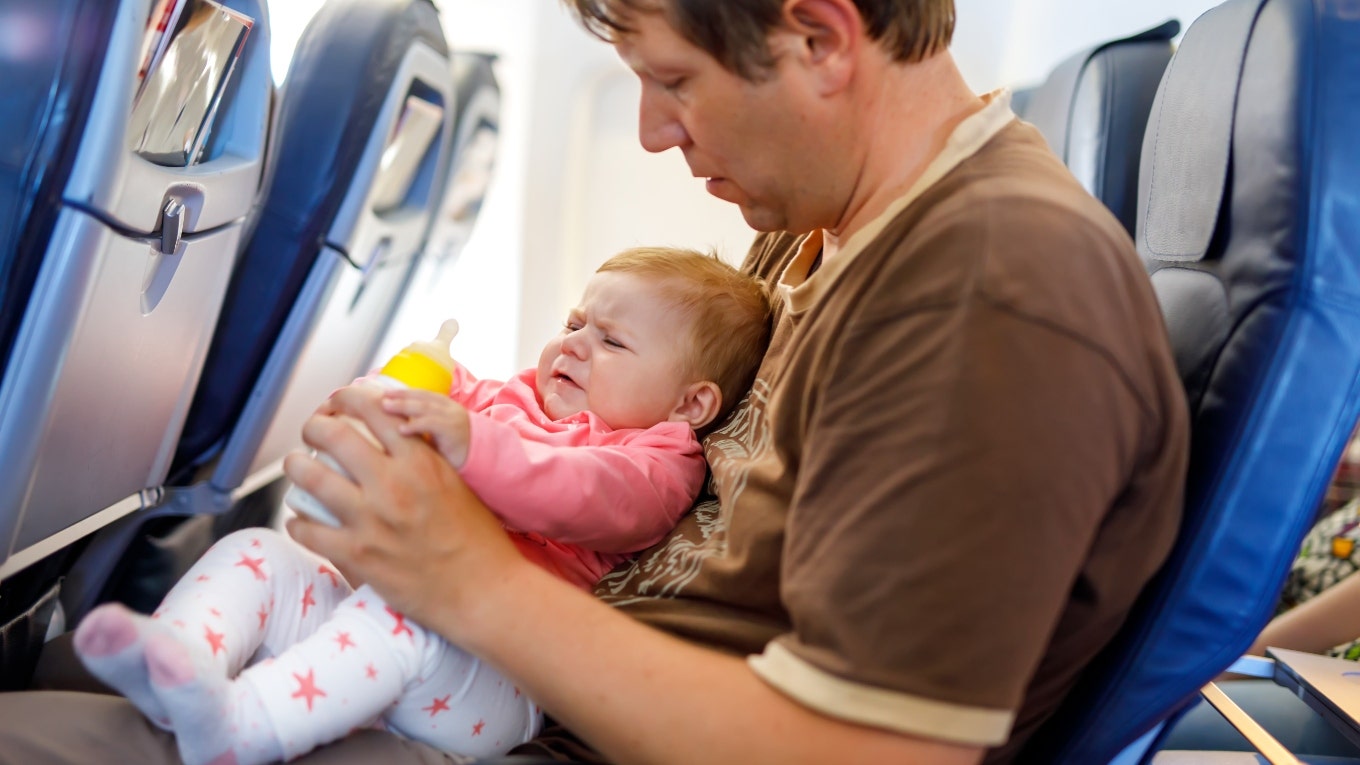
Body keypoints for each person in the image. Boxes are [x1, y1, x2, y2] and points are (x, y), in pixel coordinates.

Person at [0, 1, 1189, 763]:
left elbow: (872, 753)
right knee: (87, 676)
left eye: (672, 80)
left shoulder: (989, 289)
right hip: (534, 685)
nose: (650, 134)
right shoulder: (826, 231)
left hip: (534, 717)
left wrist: (466, 579)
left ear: (819, 37)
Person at [66, 247, 771, 765]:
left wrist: (471, 444)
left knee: (402, 616)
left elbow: (575, 493)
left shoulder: (657, 461)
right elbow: (431, 401)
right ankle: (182, 662)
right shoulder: (508, 397)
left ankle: (244, 726)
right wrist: (396, 392)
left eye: (611, 340)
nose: (576, 344)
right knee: (259, 549)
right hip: (386, 622)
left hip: (495, 680)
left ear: (691, 401)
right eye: (576, 320)